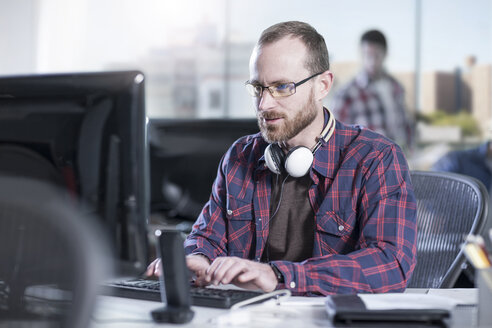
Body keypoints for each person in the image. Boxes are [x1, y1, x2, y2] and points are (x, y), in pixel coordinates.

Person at [147, 21, 417, 296]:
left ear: (322, 85)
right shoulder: (240, 157)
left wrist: (279, 276)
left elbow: (391, 264)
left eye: (282, 87)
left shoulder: (376, 159)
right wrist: (197, 258)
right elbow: (207, 237)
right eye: (258, 88)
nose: (264, 104)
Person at [332, 29, 414, 151]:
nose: (372, 61)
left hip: (397, 161)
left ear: (385, 54)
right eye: (367, 55)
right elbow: (335, 138)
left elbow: (405, 126)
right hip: (366, 166)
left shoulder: (396, 88)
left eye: (376, 55)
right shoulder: (347, 93)